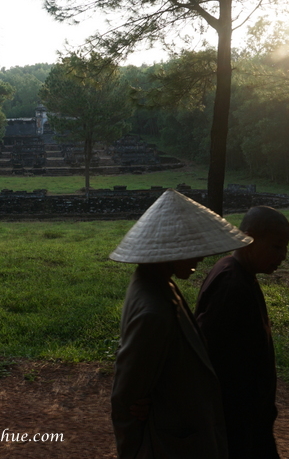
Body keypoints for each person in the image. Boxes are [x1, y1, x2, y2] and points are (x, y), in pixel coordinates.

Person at [110, 189, 253, 459]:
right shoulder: (153, 311)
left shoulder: (157, 284)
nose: (201, 257)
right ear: (168, 252)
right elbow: (126, 398)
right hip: (169, 444)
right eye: (191, 250)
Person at [194, 206, 289, 459]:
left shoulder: (240, 274)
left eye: (285, 248)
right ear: (248, 239)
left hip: (249, 415)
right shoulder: (231, 283)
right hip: (235, 416)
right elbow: (204, 348)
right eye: (276, 247)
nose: (283, 256)